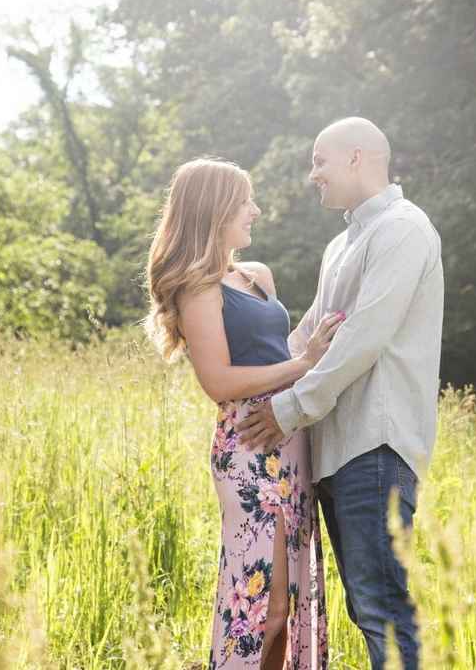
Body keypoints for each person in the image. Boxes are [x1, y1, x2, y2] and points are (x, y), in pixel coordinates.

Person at [238, 118, 444, 670]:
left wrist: (288, 409)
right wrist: (243, 381)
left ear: (357, 158)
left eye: (319, 161)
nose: (313, 176)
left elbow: (362, 340)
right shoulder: (341, 244)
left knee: (381, 605)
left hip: (374, 447)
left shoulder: (403, 228)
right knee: (366, 604)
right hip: (336, 449)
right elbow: (310, 334)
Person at [143, 158, 340, 670]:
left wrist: (306, 354)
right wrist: (303, 363)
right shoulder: (197, 287)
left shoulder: (257, 276)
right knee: (263, 607)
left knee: (289, 604)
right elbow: (219, 382)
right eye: (245, 202)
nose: (255, 211)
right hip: (249, 447)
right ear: (215, 209)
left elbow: (275, 350)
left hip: (291, 440)